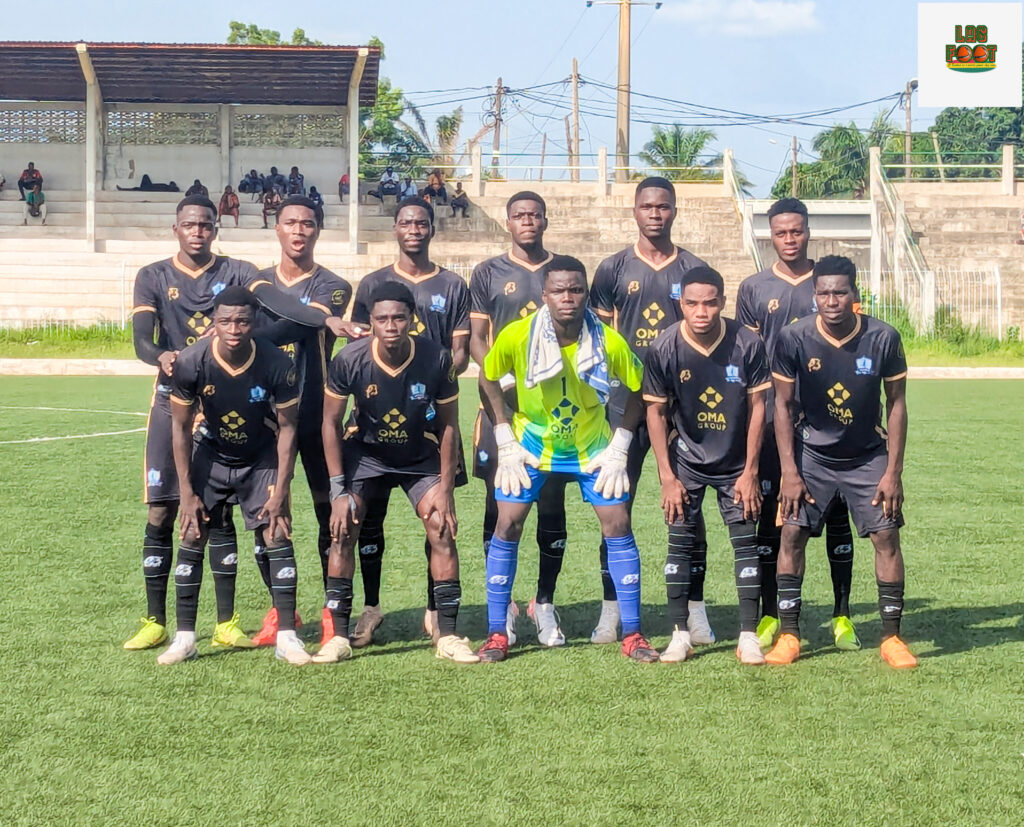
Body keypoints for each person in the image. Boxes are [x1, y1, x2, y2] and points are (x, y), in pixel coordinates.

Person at [124, 195, 339, 652]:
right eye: (189, 224)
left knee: (223, 508)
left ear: (216, 229)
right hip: (175, 400)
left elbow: (278, 304)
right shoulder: (152, 275)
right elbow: (142, 339)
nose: (197, 231)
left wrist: (326, 319)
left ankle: (228, 621)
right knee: (163, 509)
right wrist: (162, 355)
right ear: (176, 228)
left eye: (206, 224)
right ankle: (155, 621)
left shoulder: (240, 271)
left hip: (233, 401)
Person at [477, 255, 658, 663]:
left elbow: (640, 386)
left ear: (586, 294)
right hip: (531, 446)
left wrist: (620, 445)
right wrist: (504, 435)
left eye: (576, 290)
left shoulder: (608, 340)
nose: (567, 298)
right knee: (507, 523)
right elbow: (488, 375)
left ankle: (633, 634)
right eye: (558, 290)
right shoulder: (518, 334)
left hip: (591, 448)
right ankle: (496, 634)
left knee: (618, 522)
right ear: (544, 294)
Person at [315, 280, 478, 664]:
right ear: (370, 321)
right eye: (382, 319)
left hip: (418, 454)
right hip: (365, 455)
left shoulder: (436, 358)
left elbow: (449, 424)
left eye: (399, 318)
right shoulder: (349, 358)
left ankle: (447, 635)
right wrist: (338, 491)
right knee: (343, 528)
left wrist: (446, 490)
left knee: (441, 526)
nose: (391, 326)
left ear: (412, 319)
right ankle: (338, 637)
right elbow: (330, 423)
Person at [765, 255, 915, 669]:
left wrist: (893, 471)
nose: (832, 301)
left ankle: (892, 638)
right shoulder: (794, 338)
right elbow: (782, 406)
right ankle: (789, 634)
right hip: (812, 455)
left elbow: (897, 405)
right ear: (814, 295)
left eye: (840, 292)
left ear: (855, 294)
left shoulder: (883, 337)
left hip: (867, 456)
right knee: (791, 534)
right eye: (824, 293)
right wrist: (789, 472)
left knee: (887, 537)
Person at [589, 176, 712, 646]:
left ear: (675, 210)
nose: (655, 214)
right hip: (623, 406)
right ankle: (612, 611)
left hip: (679, 408)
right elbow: (598, 341)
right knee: (613, 508)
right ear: (635, 211)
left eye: (663, 206)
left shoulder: (694, 268)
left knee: (687, 509)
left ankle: (695, 611)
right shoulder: (613, 269)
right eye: (647, 206)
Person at [735, 197, 860, 652]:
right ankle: (773, 613)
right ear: (770, 236)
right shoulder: (753, 288)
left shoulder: (829, 282)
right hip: (775, 418)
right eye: (781, 232)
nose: (790, 239)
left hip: (829, 419)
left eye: (797, 231)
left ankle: (842, 615)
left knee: (838, 518)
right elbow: (748, 356)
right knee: (777, 518)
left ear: (808, 231)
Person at [160, 286, 309, 666]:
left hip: (260, 457)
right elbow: (179, 428)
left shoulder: (277, 362)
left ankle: (287, 637)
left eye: (242, 321)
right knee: (192, 532)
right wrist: (186, 492)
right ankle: (185, 638)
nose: (234, 329)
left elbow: (288, 427)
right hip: (211, 454)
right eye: (225, 321)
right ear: (214, 321)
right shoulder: (192, 361)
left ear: (254, 321)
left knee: (276, 531)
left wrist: (282, 490)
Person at [349, 197, 471, 646]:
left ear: (432, 229)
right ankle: (370, 607)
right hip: (376, 420)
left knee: (436, 515)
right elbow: (358, 346)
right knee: (369, 516)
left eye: (421, 223)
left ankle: (436, 610)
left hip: (431, 419)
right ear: (395, 229)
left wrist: (434, 382)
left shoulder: (453, 285)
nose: (414, 229)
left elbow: (460, 350)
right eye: (406, 222)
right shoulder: (373, 283)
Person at [249, 196, 363, 648]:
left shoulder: (334, 285)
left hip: (316, 415)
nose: (299, 230)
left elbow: (292, 326)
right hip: (265, 415)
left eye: (308, 224)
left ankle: (333, 611)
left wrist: (260, 322)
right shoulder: (255, 279)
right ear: (276, 228)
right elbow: (299, 322)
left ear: (318, 231)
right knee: (267, 510)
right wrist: (321, 320)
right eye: (291, 223)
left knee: (328, 514)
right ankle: (282, 610)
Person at [644, 266, 770, 665]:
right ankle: (680, 635)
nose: (702, 312)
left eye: (710, 303)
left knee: (746, 543)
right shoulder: (664, 346)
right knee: (680, 542)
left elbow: (759, 407)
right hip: (687, 461)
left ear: (723, 302)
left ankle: (748, 636)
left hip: (736, 463)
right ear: (681, 303)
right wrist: (666, 477)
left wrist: (750, 472)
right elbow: (655, 414)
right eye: (692, 303)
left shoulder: (747, 343)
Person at [468, 191, 569, 648]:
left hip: (553, 412)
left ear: (545, 221)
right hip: (501, 407)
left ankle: (543, 602)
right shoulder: (488, 272)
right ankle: (503, 605)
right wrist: (500, 378)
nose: (527, 221)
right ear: (507, 222)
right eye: (519, 215)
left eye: (534, 215)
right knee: (499, 505)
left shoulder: (562, 270)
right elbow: (477, 338)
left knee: (551, 504)